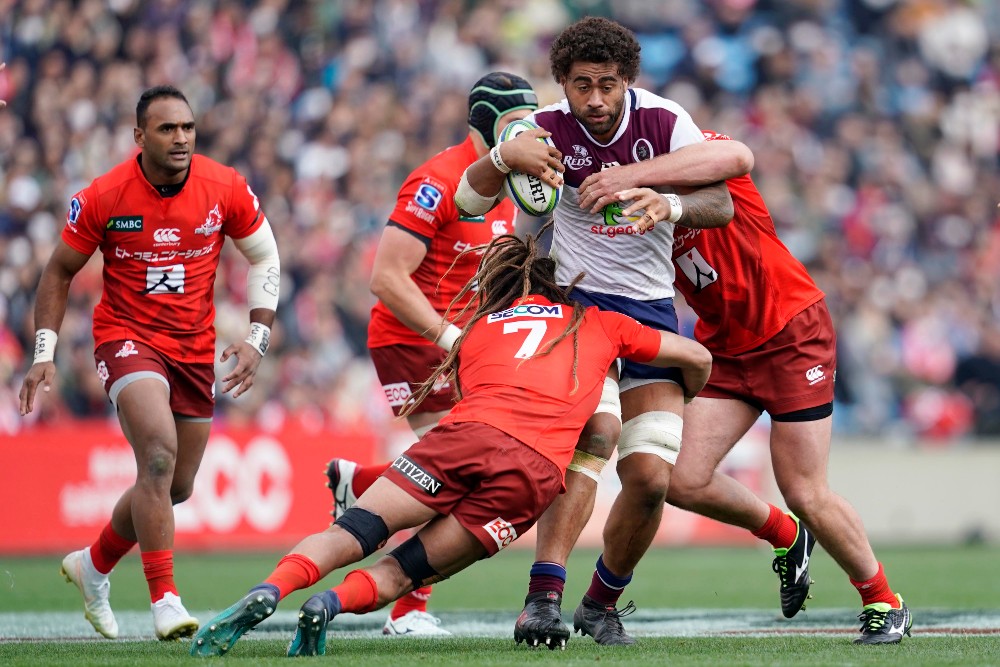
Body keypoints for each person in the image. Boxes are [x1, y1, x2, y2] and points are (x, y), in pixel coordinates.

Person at [473, 119, 913, 644]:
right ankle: (782, 536)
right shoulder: (613, 181)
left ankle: (885, 601)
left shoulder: (688, 150)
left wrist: (640, 179)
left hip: (792, 331)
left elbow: (737, 158)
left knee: (803, 488)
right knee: (675, 478)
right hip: (722, 343)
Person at [190, 230, 712, 658]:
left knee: (353, 529)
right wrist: (693, 386)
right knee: (400, 570)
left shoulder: (479, 328)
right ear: (562, 290)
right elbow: (693, 355)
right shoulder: (597, 321)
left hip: (460, 438)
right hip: (527, 471)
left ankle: (270, 589)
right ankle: (327, 604)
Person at [456, 16, 735, 646]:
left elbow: (723, 201)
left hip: (651, 311)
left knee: (652, 476)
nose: (596, 99)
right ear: (562, 83)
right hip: (576, 311)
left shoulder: (665, 122)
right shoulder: (546, 130)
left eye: (608, 84)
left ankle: (601, 602)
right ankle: (542, 598)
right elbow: (472, 206)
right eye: (582, 85)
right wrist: (504, 159)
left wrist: (670, 201)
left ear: (628, 80)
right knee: (592, 440)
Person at [19, 85, 280, 641]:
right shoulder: (105, 195)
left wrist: (257, 337)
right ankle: (164, 600)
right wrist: (44, 352)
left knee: (173, 485)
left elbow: (262, 254)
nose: (180, 137)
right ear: (140, 137)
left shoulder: (224, 184)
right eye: (167, 129)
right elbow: (58, 271)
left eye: (187, 127)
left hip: (193, 348)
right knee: (157, 457)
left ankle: (93, 565)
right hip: (127, 337)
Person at [323, 71, 540, 636]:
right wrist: (450, 339)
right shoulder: (436, 181)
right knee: (455, 476)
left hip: (466, 348)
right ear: (492, 123)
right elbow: (386, 277)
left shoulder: (516, 187)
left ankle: (362, 482)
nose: (531, 131)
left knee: (463, 472)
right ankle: (407, 610)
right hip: (414, 341)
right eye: (520, 120)